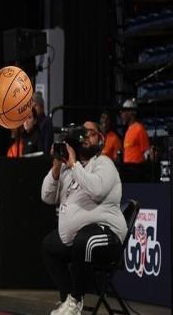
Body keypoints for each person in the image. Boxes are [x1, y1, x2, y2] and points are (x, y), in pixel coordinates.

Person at [41, 121, 127, 315]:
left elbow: (97, 190)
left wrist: (73, 165)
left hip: (107, 237)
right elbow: (46, 196)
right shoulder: (68, 170)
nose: (86, 136)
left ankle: (76, 299)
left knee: (84, 240)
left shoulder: (104, 163)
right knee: (49, 245)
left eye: (92, 133)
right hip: (79, 239)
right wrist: (57, 165)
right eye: (83, 133)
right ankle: (68, 301)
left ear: (101, 139)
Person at [120, 99, 150, 165]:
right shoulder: (127, 130)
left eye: (124, 111)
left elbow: (147, 153)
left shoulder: (139, 129)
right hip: (128, 169)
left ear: (131, 112)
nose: (121, 113)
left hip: (137, 169)